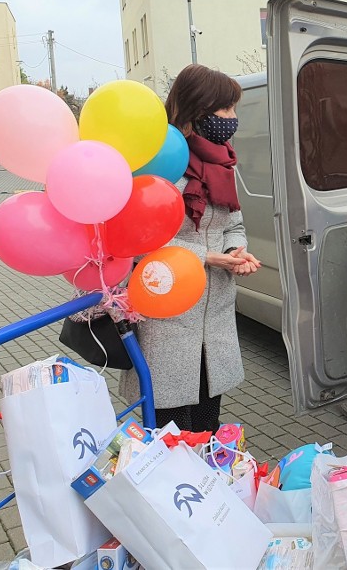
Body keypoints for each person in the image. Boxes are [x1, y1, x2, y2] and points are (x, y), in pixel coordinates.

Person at [121, 64, 260, 433]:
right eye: (225, 109)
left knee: (207, 420)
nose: (232, 119)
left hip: (214, 314)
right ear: (198, 110)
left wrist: (236, 250)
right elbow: (138, 242)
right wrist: (203, 257)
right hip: (167, 314)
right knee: (170, 428)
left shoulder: (221, 161)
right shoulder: (160, 164)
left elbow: (233, 221)